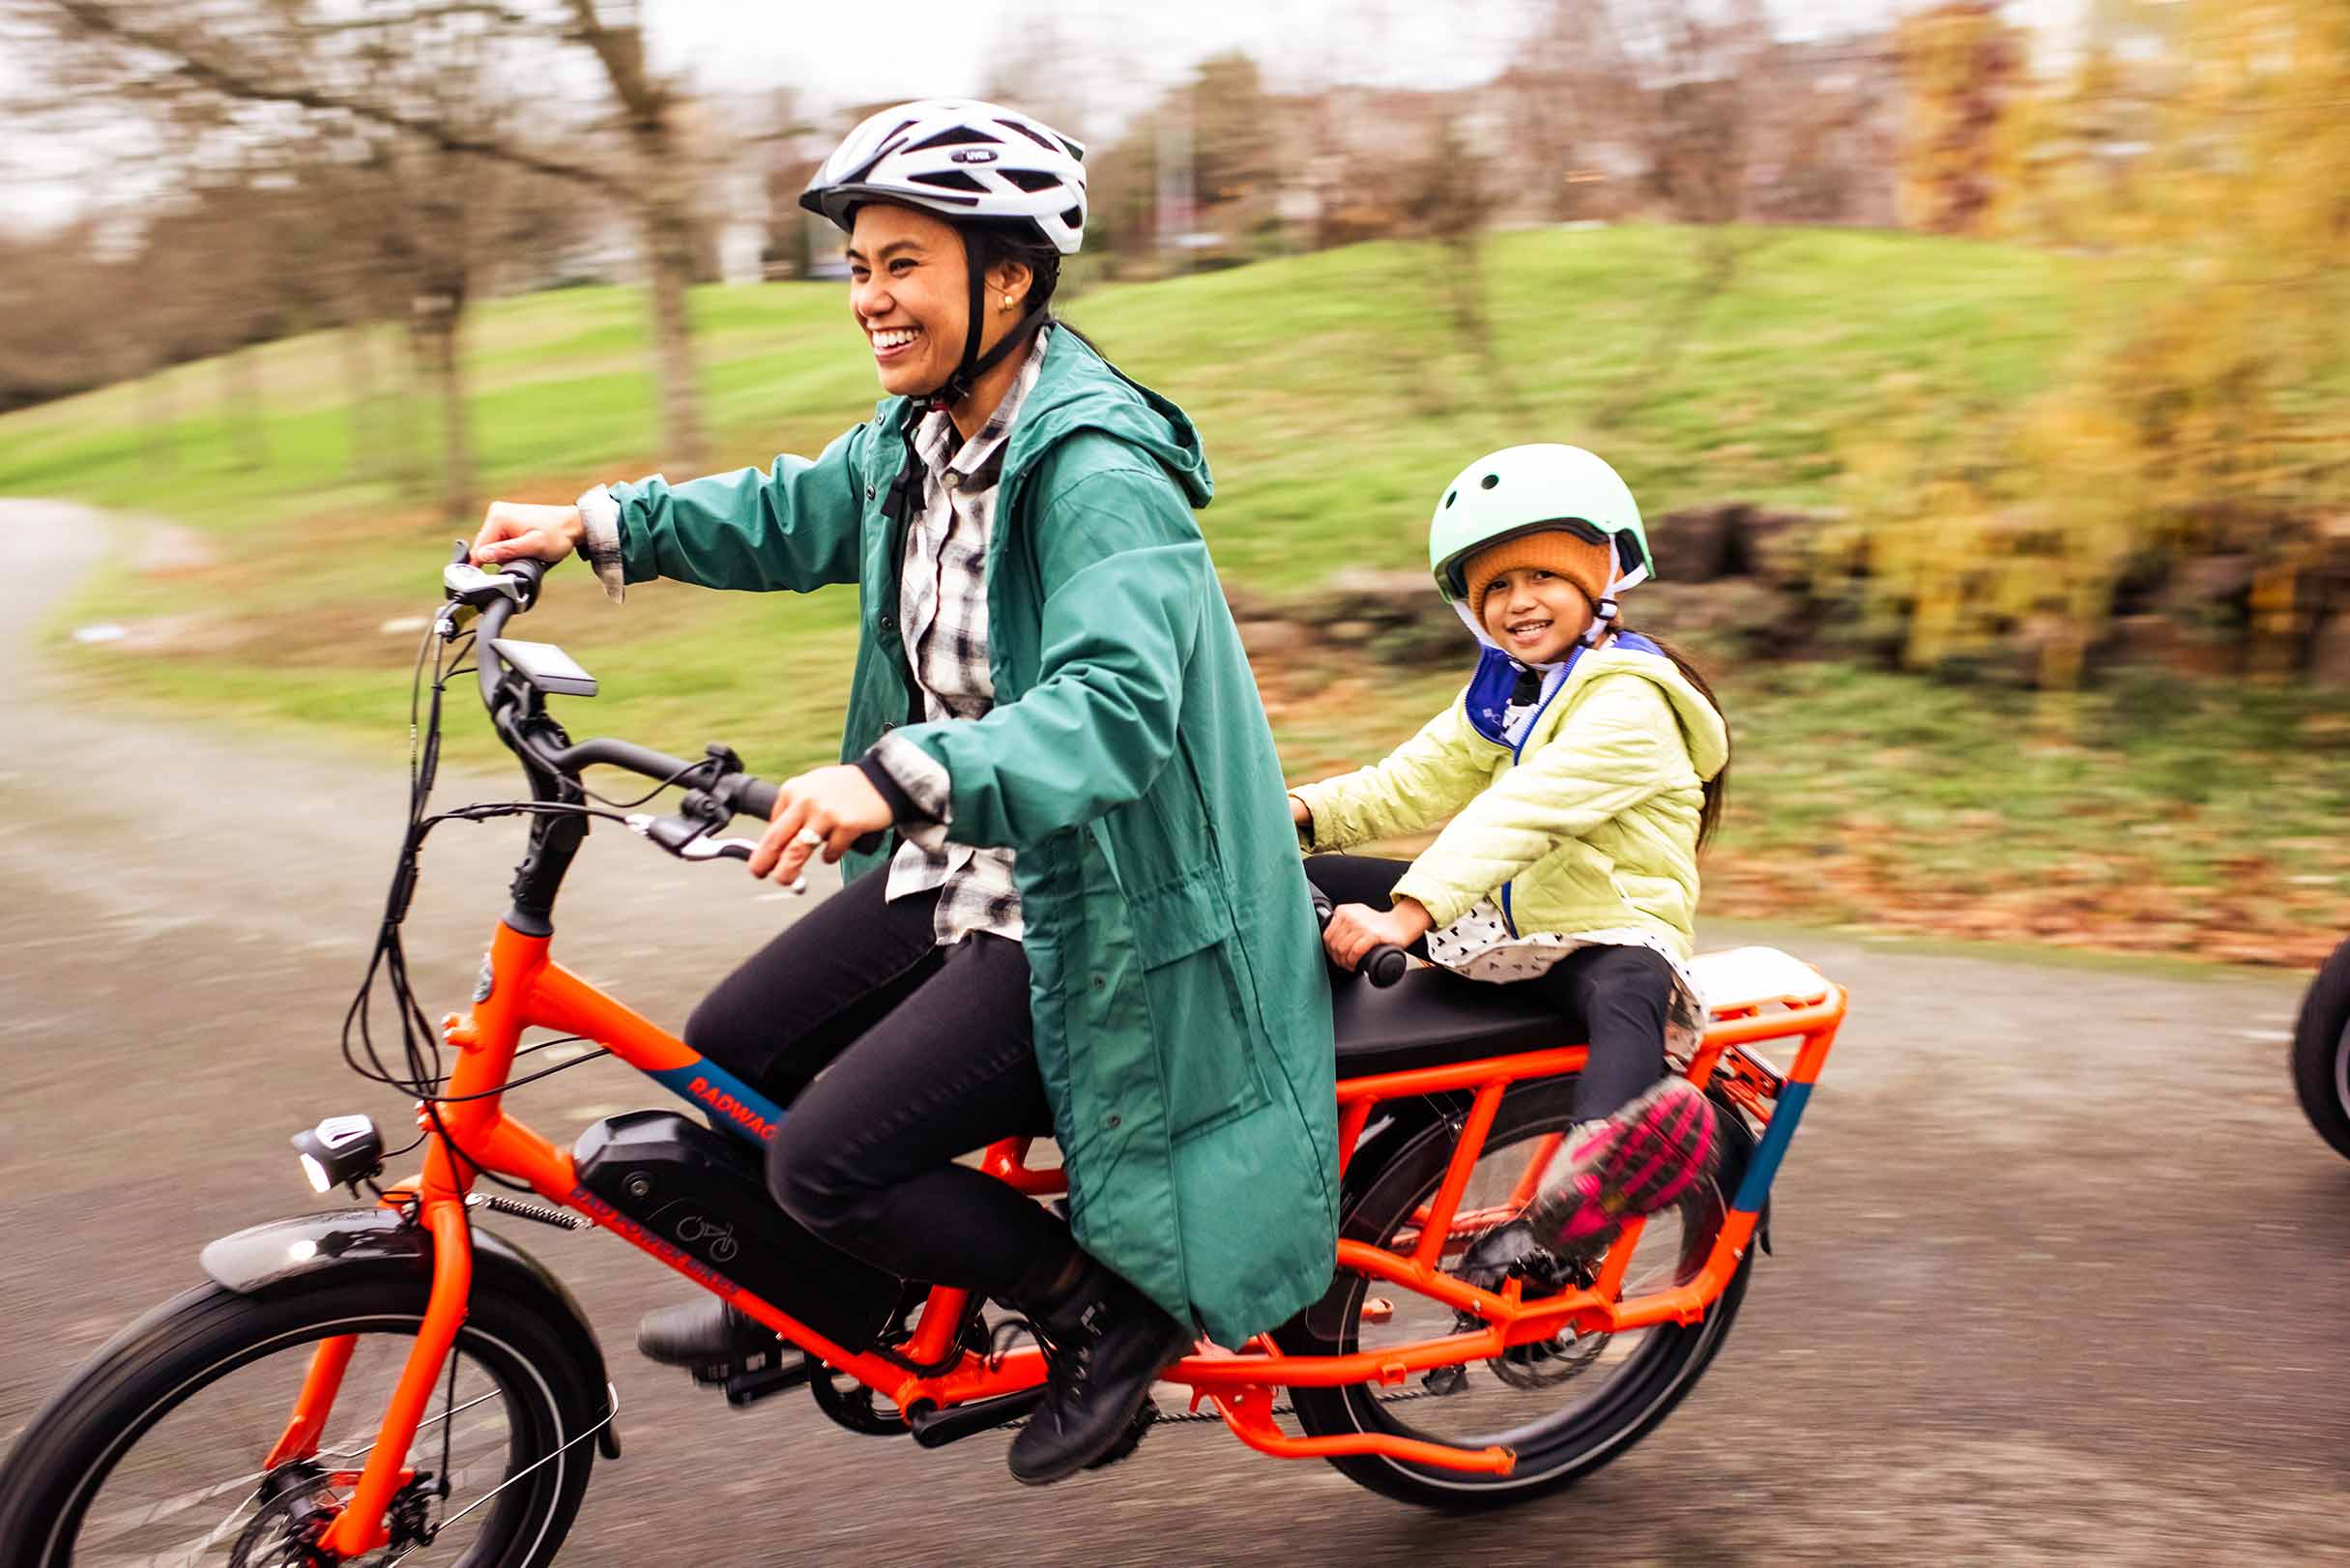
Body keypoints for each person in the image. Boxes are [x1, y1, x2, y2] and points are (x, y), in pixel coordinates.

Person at [469, 99, 1336, 1485]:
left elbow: (1115, 709)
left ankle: (1100, 1316)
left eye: (902, 264)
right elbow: (792, 507)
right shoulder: (923, 435)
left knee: (825, 1159)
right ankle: (831, 1302)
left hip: (1098, 899)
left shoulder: (1098, 469)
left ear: (1007, 277)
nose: (868, 297)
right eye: (857, 266)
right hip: (967, 861)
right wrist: (595, 524)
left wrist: (896, 775)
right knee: (728, 1044)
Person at [1287, 443, 1728, 1265]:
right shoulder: (1509, 687)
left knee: (1631, 985)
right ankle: (1290, 1090)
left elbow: (1523, 814)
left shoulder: (1633, 701)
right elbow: (1405, 784)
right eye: (1493, 587)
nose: (1517, 603)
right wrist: (1292, 816)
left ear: (1600, 574)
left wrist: (1404, 917)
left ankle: (1596, 1177)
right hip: (1510, 924)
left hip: (1604, 932)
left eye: (1541, 577)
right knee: (1298, 882)